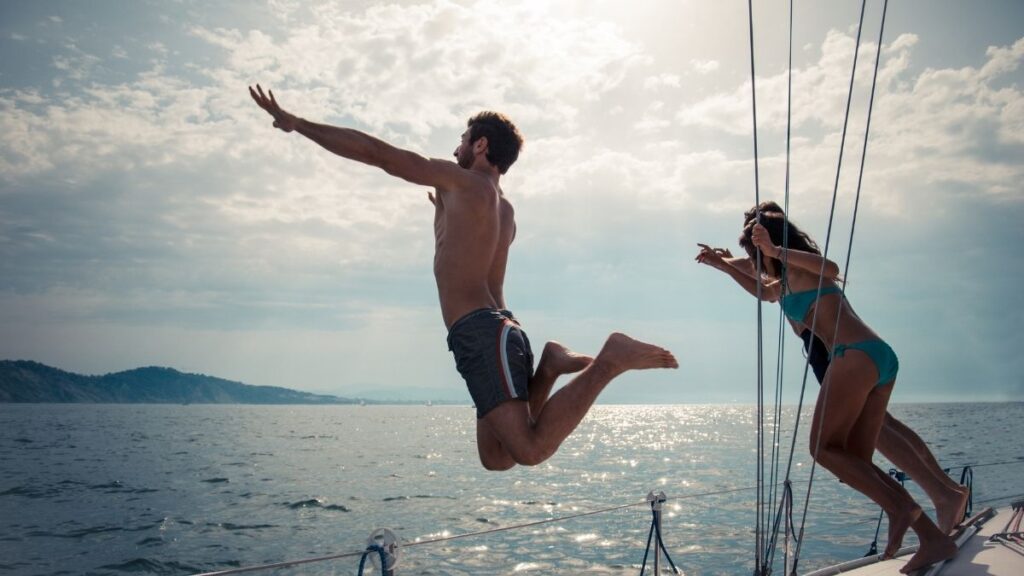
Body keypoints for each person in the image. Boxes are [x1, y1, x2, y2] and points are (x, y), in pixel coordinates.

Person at [249, 85, 678, 471]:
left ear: (480, 144)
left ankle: (610, 359)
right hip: (503, 329)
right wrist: (441, 214)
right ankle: (547, 367)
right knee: (496, 459)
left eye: (461, 139)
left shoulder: (461, 182)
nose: (456, 147)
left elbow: (379, 155)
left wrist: (298, 123)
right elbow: (474, 272)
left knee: (528, 451)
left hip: (478, 331)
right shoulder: (505, 212)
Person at [695, 206, 955, 573]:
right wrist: (723, 265)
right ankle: (931, 536)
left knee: (821, 448)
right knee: (857, 462)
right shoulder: (785, 281)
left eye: (758, 253)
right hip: (874, 358)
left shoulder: (802, 267)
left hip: (855, 355)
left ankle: (904, 510)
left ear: (776, 243)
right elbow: (764, 292)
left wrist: (772, 250)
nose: (756, 260)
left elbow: (831, 269)